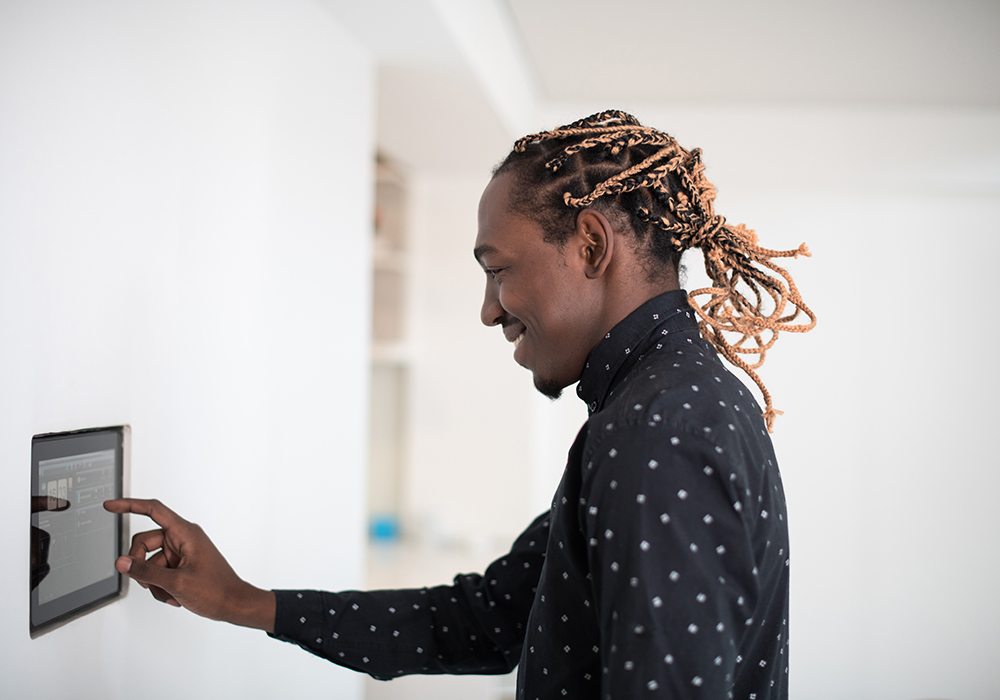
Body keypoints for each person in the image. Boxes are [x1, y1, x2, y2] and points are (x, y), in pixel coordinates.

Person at [104, 111, 815, 699]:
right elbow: (485, 620)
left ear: (591, 246)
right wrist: (242, 600)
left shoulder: (656, 430)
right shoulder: (658, 408)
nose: (487, 310)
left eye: (498, 270)